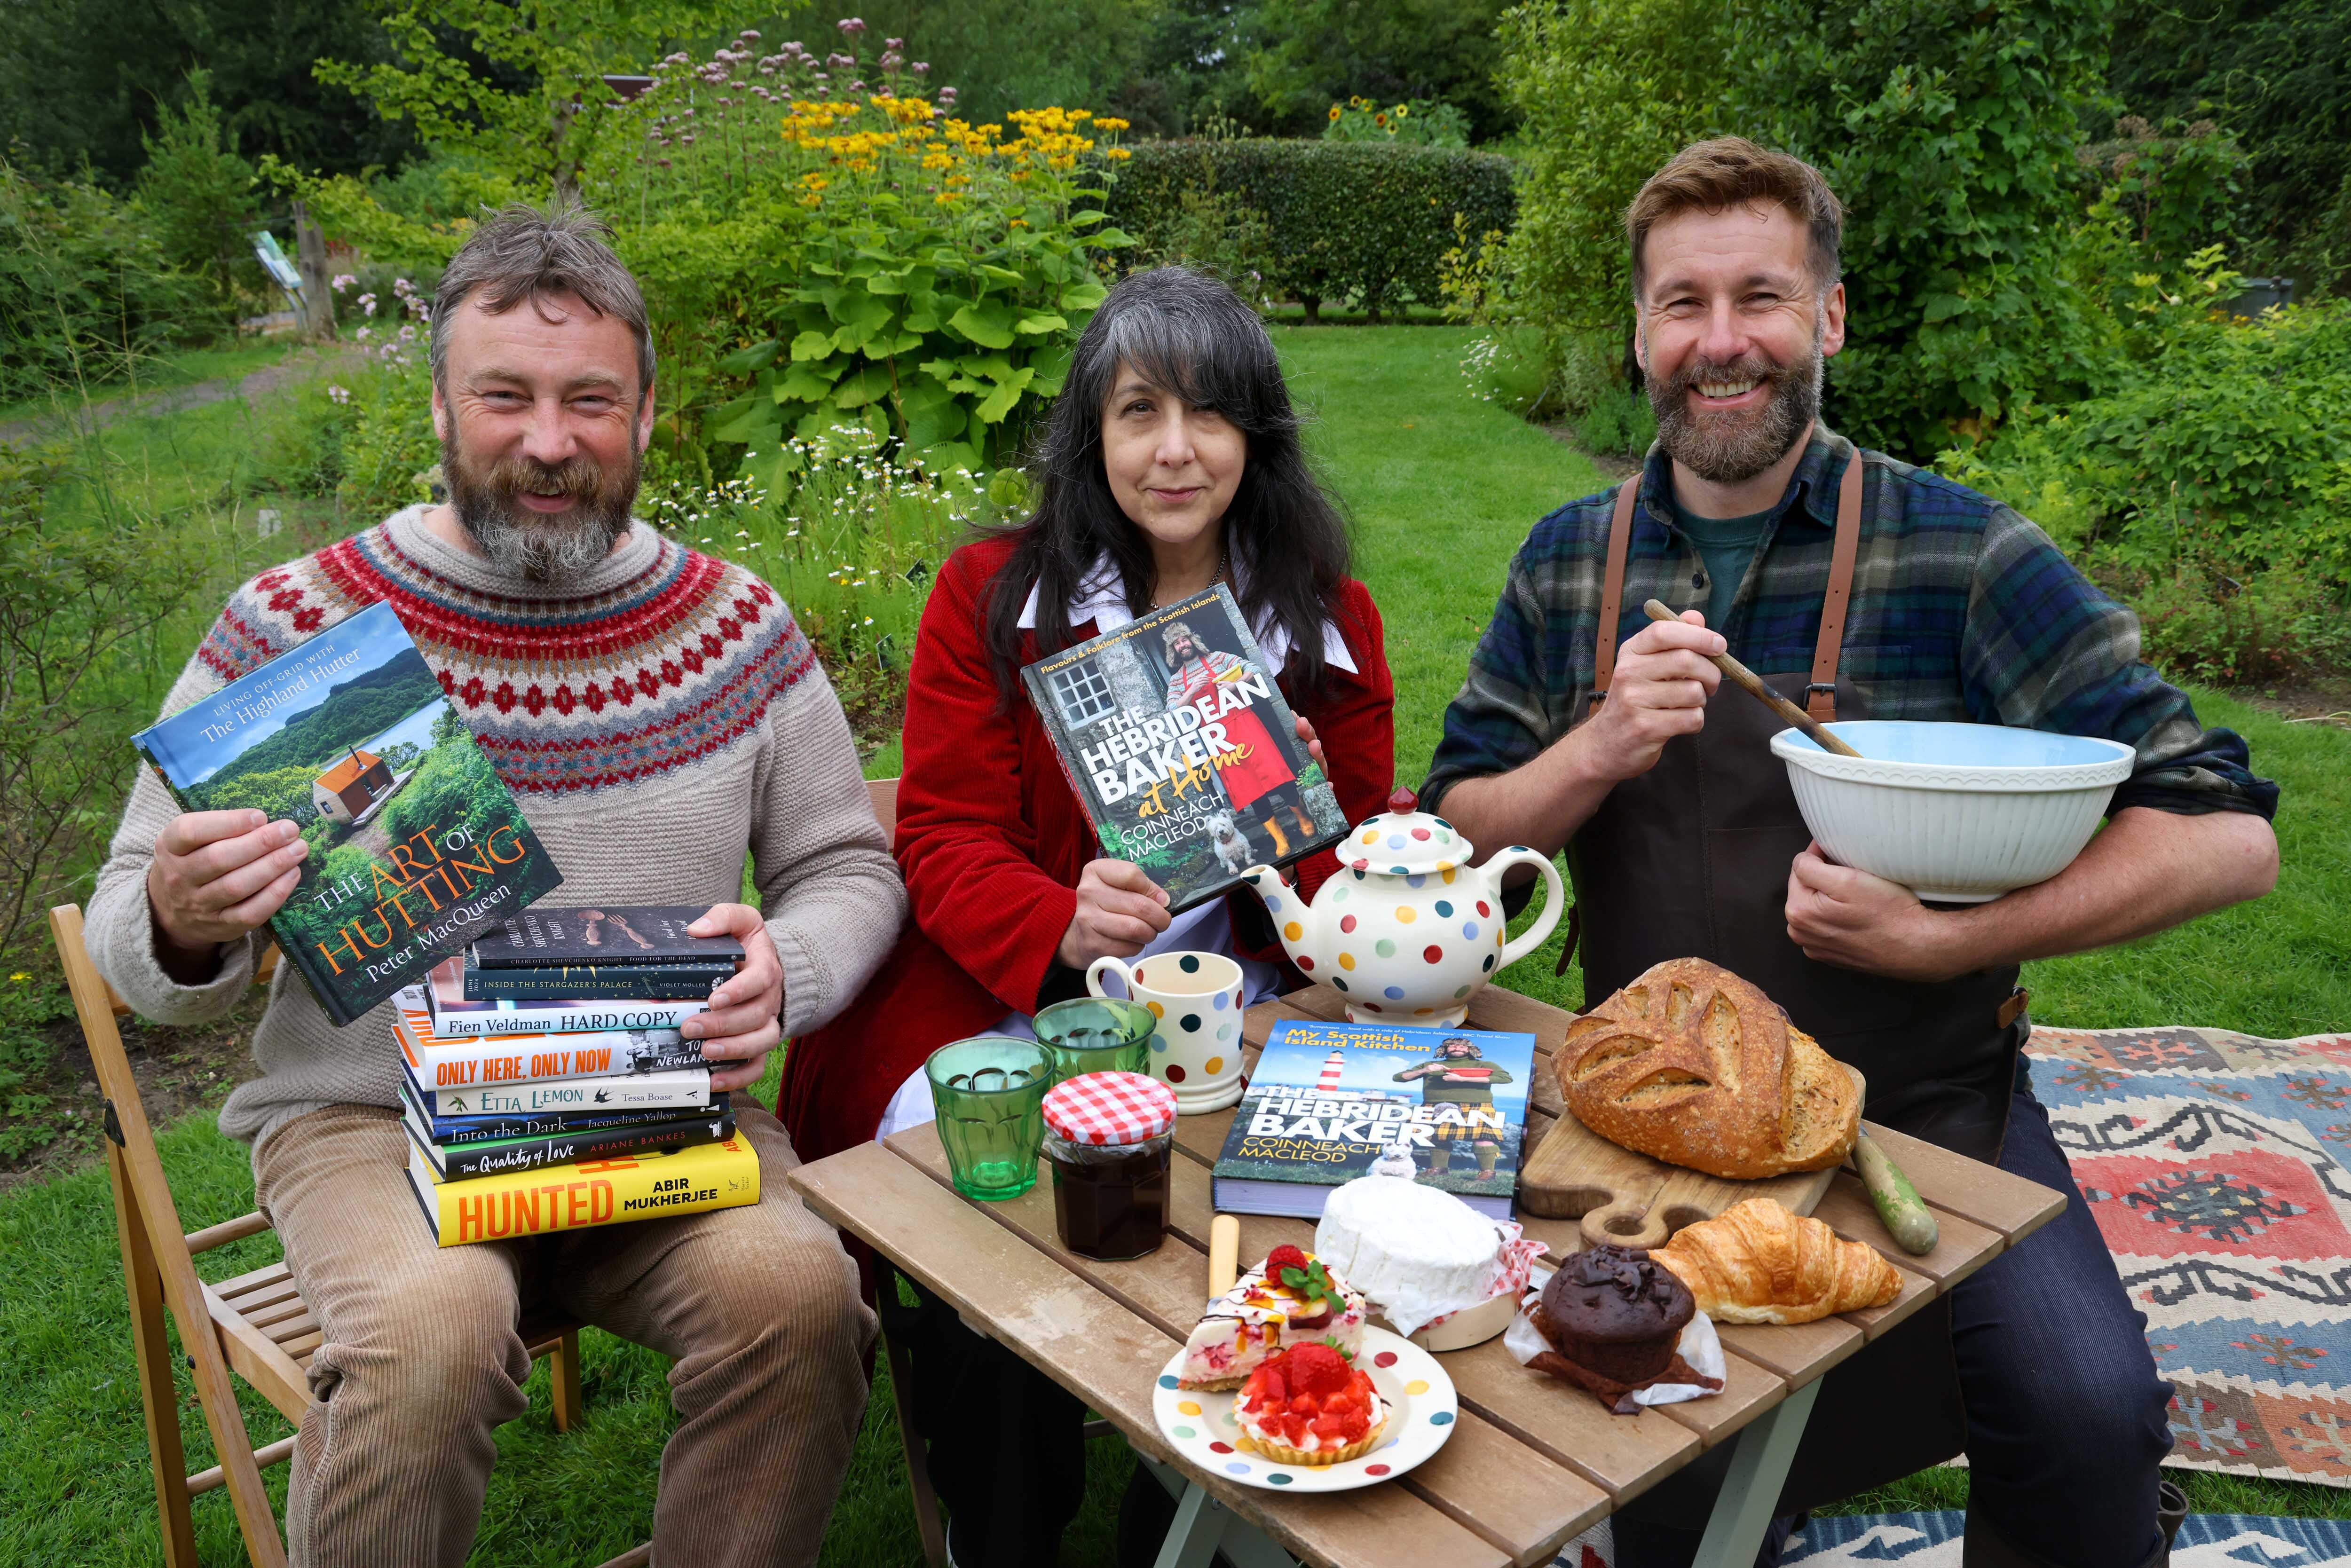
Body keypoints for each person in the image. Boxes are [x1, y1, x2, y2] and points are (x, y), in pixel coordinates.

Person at [1422, 139, 2280, 1568]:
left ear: (1827, 318)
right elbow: (1454, 828)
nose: (1721, 343)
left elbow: (2228, 833)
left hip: (1926, 1103)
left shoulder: (1964, 556)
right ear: (1640, 333)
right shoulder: (1572, 559)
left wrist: (1957, 938)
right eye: (1682, 304)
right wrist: (1594, 749)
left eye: (1760, 297)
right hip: (1652, 1124)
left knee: (2087, 1417)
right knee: (1657, 1456)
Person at [87, 202, 905, 1568]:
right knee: (429, 1337)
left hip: (648, 1101)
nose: (547, 441)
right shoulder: (297, 628)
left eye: (591, 399)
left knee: (802, 1299)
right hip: (372, 1125)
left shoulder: (737, 624)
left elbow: (844, 860)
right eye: (504, 396)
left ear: (649, 416)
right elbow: (127, 927)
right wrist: (178, 915)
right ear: (440, 405)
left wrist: (795, 967)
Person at [781, 265, 1395, 1567]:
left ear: (1257, 436)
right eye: (1138, 412)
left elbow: (1341, 907)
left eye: (1210, 415)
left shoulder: (1327, 627)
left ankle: (1182, 1502)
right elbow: (940, 837)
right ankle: (1004, 1522)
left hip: (1223, 1013)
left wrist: (1330, 835)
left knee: (1297, 1206)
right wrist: (1060, 917)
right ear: (1092, 435)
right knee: (987, 1230)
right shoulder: (995, 597)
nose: (1175, 451)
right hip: (990, 993)